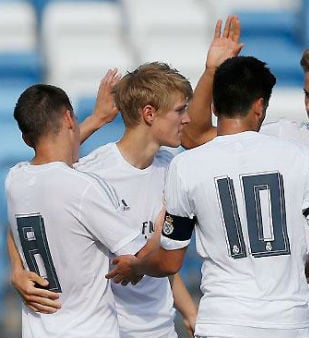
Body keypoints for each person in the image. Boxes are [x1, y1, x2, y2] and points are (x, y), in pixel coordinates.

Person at [106, 56, 309, 338]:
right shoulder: (297, 157)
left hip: (224, 320)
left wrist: (138, 264)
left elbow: (169, 262)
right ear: (259, 105)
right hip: (287, 322)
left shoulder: (187, 165)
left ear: (215, 106)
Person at [181, 19, 309, 336]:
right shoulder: (283, 139)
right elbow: (195, 136)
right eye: (307, 94)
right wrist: (213, 70)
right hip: (292, 312)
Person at [8, 62, 199, 337]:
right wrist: (17, 270)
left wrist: (189, 313)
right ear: (149, 114)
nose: (187, 119)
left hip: (161, 328)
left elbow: (165, 260)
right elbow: (30, 212)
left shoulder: (174, 168)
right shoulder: (90, 175)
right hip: (113, 328)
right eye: (181, 110)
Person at [6, 84, 148, 337]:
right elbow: (138, 254)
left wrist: (16, 269)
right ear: (69, 118)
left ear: (26, 139)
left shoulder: (15, 180)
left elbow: (13, 227)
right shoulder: (83, 187)